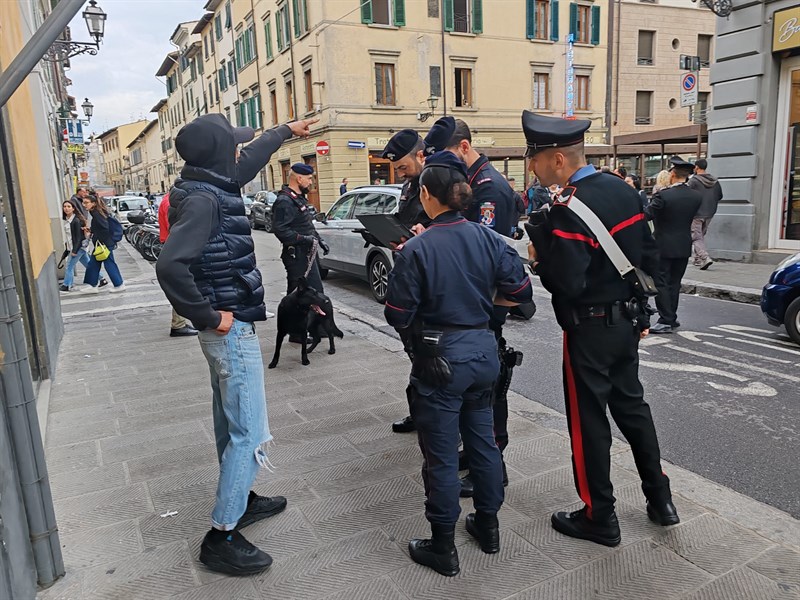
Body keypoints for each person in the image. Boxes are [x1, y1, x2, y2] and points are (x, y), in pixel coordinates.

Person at [156, 113, 317, 576]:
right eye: (234, 146)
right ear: (218, 154)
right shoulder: (207, 200)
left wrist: (286, 131)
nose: (239, 153)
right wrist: (208, 316)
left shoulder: (211, 182)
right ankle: (222, 535)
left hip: (227, 327)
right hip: (230, 329)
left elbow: (251, 160)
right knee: (248, 431)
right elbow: (170, 266)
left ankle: (242, 499)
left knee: (230, 425)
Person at [523, 111, 679, 548]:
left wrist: (539, 258)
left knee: (588, 422)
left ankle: (599, 516)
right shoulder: (624, 190)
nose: (532, 168)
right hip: (627, 323)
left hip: (589, 329)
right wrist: (644, 316)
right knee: (633, 409)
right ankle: (660, 499)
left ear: (556, 159)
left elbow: (567, 283)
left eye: (534, 159)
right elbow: (649, 257)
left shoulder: (567, 208)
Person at [384, 150, 532, 576]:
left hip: (439, 359)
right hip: (484, 352)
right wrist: (480, 299)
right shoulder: (488, 238)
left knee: (442, 455)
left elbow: (398, 314)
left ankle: (443, 546)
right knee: (483, 443)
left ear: (427, 196)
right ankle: (488, 527)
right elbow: (521, 294)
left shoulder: (416, 249)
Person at [423, 116, 525, 495]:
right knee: (475, 398)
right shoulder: (469, 185)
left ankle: (493, 468)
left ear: (464, 148)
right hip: (472, 315)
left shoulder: (488, 188)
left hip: (483, 315)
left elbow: (493, 257)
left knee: (490, 398)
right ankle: (480, 458)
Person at [381, 128, 433, 434]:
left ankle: (431, 416)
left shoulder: (437, 182)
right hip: (407, 271)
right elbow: (406, 219)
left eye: (403, 167)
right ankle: (419, 411)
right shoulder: (411, 185)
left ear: (421, 155)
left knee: (426, 352)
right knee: (413, 352)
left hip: (426, 281)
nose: (400, 173)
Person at [645, 157, 702, 334]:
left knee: (661, 282)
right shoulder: (695, 196)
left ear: (673, 174)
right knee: (675, 283)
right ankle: (672, 316)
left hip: (663, 245)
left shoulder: (663, 195)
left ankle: (666, 319)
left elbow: (647, 215)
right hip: (684, 244)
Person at [272, 163, 329, 298]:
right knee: (298, 296)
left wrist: (319, 240)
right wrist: (304, 239)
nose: (311, 182)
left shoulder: (298, 199)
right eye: (309, 179)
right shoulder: (284, 201)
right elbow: (280, 230)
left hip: (306, 253)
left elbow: (306, 224)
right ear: (299, 179)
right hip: (296, 255)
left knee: (313, 294)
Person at [157, 191, 198, 337]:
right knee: (181, 285)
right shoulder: (171, 202)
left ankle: (180, 322)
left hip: (171, 244)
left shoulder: (167, 200)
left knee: (182, 284)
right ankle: (178, 324)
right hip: (176, 246)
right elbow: (176, 226)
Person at [80, 195, 125, 293]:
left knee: (108, 264)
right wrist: (92, 230)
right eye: (84, 202)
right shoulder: (96, 212)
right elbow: (101, 227)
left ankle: (118, 284)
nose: (84, 205)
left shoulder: (96, 214)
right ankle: (92, 285)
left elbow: (105, 228)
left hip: (103, 244)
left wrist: (100, 240)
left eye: (86, 202)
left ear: (93, 203)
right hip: (103, 243)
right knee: (93, 264)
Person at [687, 158, 723, 270]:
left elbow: (687, 194)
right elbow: (720, 196)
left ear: (696, 167)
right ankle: (698, 260)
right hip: (710, 212)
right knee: (701, 235)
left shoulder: (693, 181)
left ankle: (704, 257)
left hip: (696, 213)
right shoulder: (715, 181)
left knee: (696, 237)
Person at [60, 200, 89, 292]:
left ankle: (66, 285)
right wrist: (67, 249)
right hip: (74, 248)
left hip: (78, 248)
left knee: (69, 266)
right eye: (65, 206)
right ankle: (101, 279)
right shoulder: (68, 220)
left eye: (69, 207)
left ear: (73, 208)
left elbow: (78, 237)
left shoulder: (75, 221)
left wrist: (74, 251)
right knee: (88, 264)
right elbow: (69, 237)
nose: (66, 208)